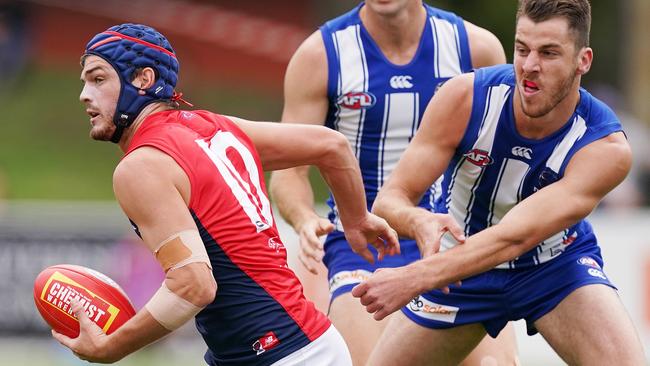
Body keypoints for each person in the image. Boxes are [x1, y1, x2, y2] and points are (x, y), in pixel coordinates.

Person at [51, 23, 399, 366]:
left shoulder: (141, 166)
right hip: (299, 344)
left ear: (144, 80)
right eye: (85, 82)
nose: (84, 94)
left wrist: (113, 346)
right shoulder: (215, 126)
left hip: (280, 353)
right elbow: (331, 146)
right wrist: (357, 220)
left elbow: (193, 286)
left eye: (98, 79)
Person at [353, 0, 648, 364]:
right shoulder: (464, 97)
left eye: (549, 53)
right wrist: (419, 220)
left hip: (553, 268)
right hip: (459, 273)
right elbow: (390, 199)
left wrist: (413, 277)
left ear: (583, 60)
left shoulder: (605, 147)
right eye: (522, 49)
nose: (530, 66)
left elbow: (515, 237)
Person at [269, 0, 517, 364]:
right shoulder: (320, 55)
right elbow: (289, 174)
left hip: (457, 245)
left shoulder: (476, 47)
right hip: (364, 251)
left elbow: (502, 156)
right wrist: (305, 219)